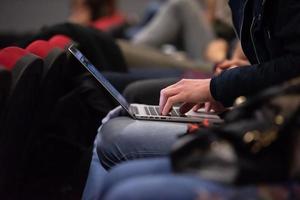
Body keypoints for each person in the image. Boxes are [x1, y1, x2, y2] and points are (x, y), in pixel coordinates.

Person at [83, 0, 300, 198]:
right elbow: (271, 61)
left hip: (277, 144)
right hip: (261, 121)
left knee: (117, 158)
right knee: (114, 137)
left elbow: (291, 69)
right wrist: (234, 81)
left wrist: (222, 85)